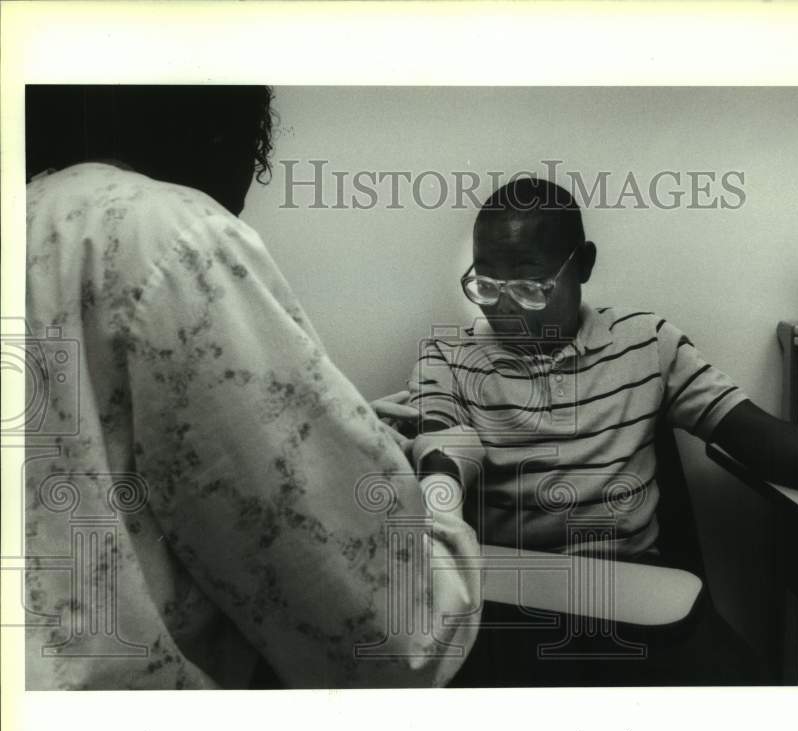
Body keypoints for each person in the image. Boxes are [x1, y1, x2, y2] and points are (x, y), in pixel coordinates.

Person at [388, 177, 798, 684]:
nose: (505, 309)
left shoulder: (646, 342)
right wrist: (436, 487)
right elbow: (445, 442)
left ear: (581, 265)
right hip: (513, 603)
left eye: (531, 287)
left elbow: (747, 431)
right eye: (487, 286)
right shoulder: (447, 356)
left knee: (742, 714)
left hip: (636, 599)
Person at [22, 85, 480, 690]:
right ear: (223, 133)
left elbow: (86, 454)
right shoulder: (171, 232)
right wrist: (446, 479)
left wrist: (338, 426)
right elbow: (390, 638)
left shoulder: (32, 214)